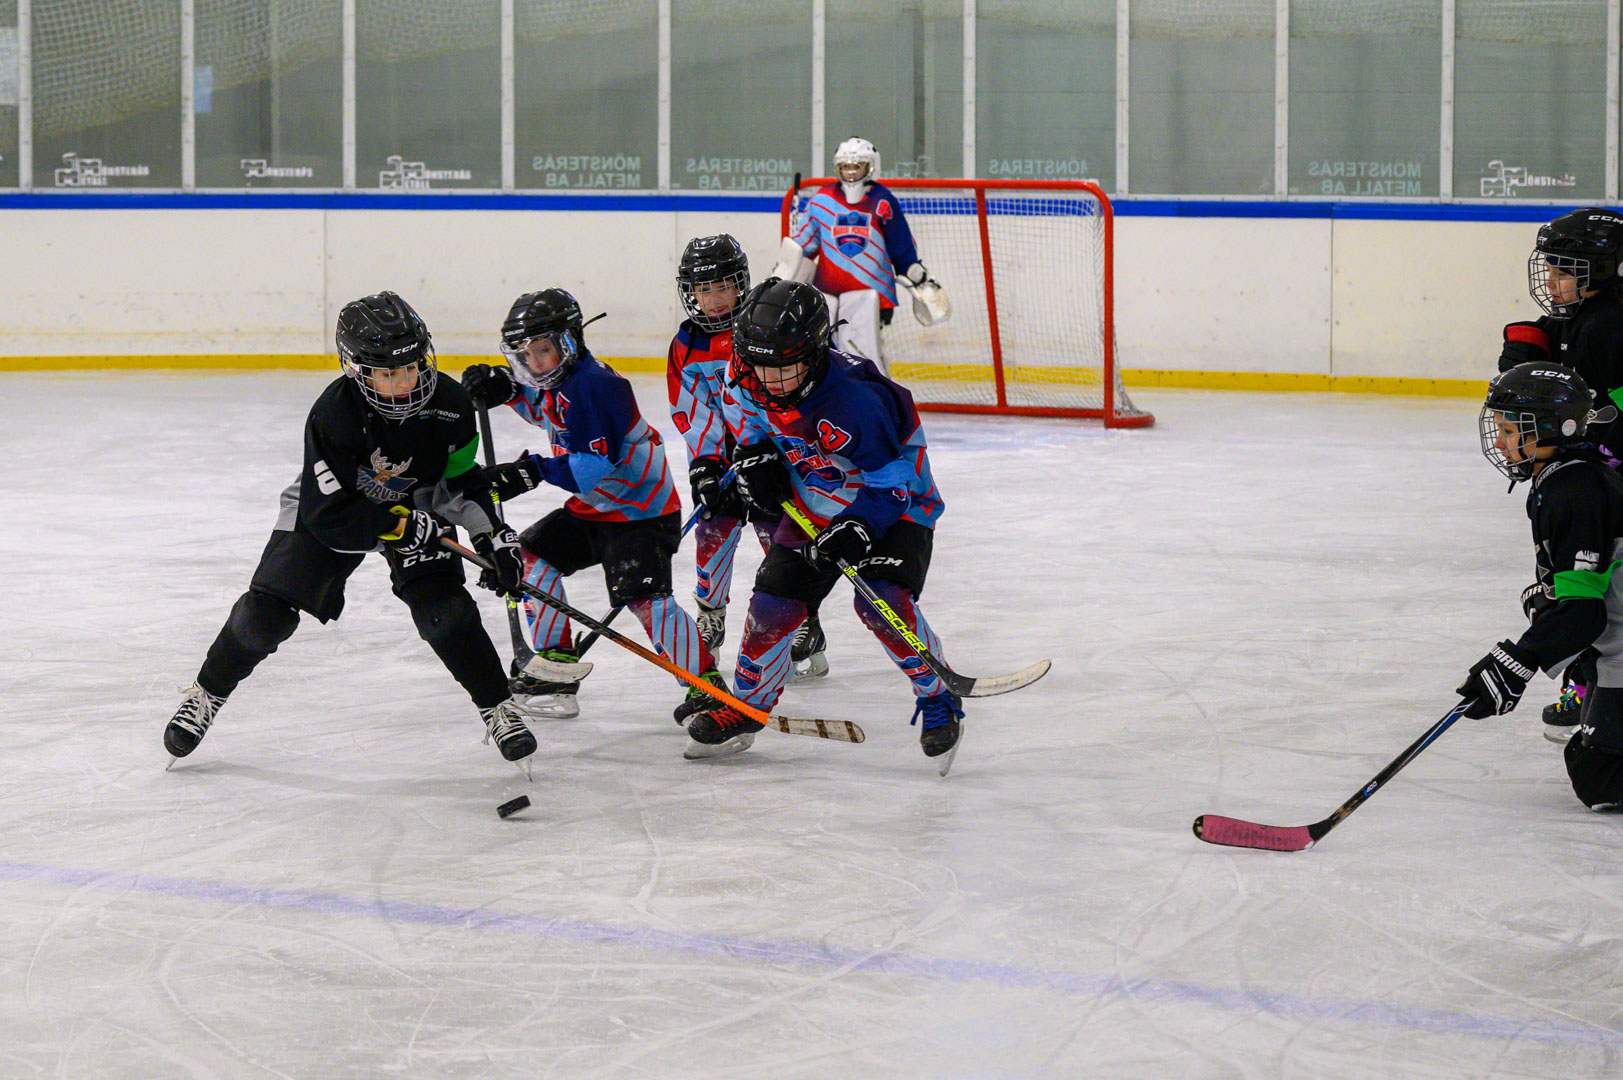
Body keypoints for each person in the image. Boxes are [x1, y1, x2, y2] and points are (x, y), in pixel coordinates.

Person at [162, 291, 537, 768]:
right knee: (263, 617)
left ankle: (498, 706)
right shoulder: (333, 413)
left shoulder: (451, 404)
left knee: (446, 611)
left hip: (417, 504)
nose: (404, 383)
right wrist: (397, 526)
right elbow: (329, 515)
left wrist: (492, 534)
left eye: (411, 367)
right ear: (357, 371)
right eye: (387, 373)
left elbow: (462, 481)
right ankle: (207, 693)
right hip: (337, 506)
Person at [682, 278, 955, 761]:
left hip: (896, 508)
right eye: (759, 365)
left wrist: (858, 527)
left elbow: (893, 482)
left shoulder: (855, 400)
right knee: (771, 607)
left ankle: (937, 695)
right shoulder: (747, 373)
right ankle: (745, 706)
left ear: (813, 355)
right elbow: (749, 426)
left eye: (783, 368)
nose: (769, 380)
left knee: (880, 604)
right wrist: (755, 457)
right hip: (814, 504)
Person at [461, 288, 721, 722]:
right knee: (531, 557)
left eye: (543, 350)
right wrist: (508, 390)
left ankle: (707, 688)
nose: (535, 363)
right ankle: (556, 667)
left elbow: (592, 467)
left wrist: (530, 472)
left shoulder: (598, 386)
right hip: (595, 510)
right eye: (525, 355)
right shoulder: (561, 380)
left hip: (641, 512)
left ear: (570, 341)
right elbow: (552, 416)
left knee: (646, 598)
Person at [667, 234, 831, 682]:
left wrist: (768, 447)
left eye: (723, 287)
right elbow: (692, 409)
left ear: (740, 284)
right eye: (703, 290)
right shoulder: (686, 346)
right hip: (722, 462)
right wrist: (706, 462)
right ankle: (710, 618)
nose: (714, 299)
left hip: (768, 456)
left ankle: (804, 619)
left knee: (778, 536)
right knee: (712, 529)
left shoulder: (760, 332)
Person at [1462, 362, 1623, 811]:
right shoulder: (1566, 476)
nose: (1498, 441)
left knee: (1599, 777)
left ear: (1551, 429)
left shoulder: (1575, 490)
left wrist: (1519, 660)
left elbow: (1585, 614)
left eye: (1509, 430)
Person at [1499, 207, 1623, 739]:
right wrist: (1527, 351)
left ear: (1599, 270)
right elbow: (1548, 347)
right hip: (1587, 470)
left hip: (1606, 479)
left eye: (1562, 268)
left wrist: (1596, 435)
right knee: (1565, 582)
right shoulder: (1579, 315)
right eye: (1548, 266)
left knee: (1586, 590)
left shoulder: (1611, 325)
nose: (1549, 279)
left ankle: (1592, 686)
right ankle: (1585, 679)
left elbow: (1608, 406)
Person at [770, 137, 948, 371]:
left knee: (864, 354)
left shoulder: (882, 201)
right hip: (825, 293)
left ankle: (874, 391)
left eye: (857, 166)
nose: (851, 172)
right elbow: (801, 247)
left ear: (871, 167)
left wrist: (914, 273)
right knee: (820, 357)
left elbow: (901, 245)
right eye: (846, 166)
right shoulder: (822, 200)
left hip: (872, 292)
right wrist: (783, 275)